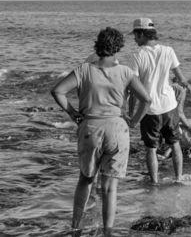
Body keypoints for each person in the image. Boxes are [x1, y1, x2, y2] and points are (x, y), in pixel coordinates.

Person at [51, 27, 151, 235]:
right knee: (109, 187)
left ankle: (76, 226)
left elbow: (58, 91)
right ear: (118, 47)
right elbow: (146, 99)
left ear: (98, 45)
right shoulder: (125, 72)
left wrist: (72, 113)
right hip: (117, 129)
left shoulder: (84, 69)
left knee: (85, 179)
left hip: (90, 127)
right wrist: (134, 121)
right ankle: (108, 232)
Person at [127, 18, 190, 184]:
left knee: (151, 149)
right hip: (169, 106)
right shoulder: (168, 51)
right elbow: (181, 78)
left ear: (141, 34)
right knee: (175, 144)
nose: (134, 39)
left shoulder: (136, 55)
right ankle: (179, 178)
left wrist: (131, 113)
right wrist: (185, 87)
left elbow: (133, 87)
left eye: (135, 35)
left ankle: (154, 181)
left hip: (150, 109)